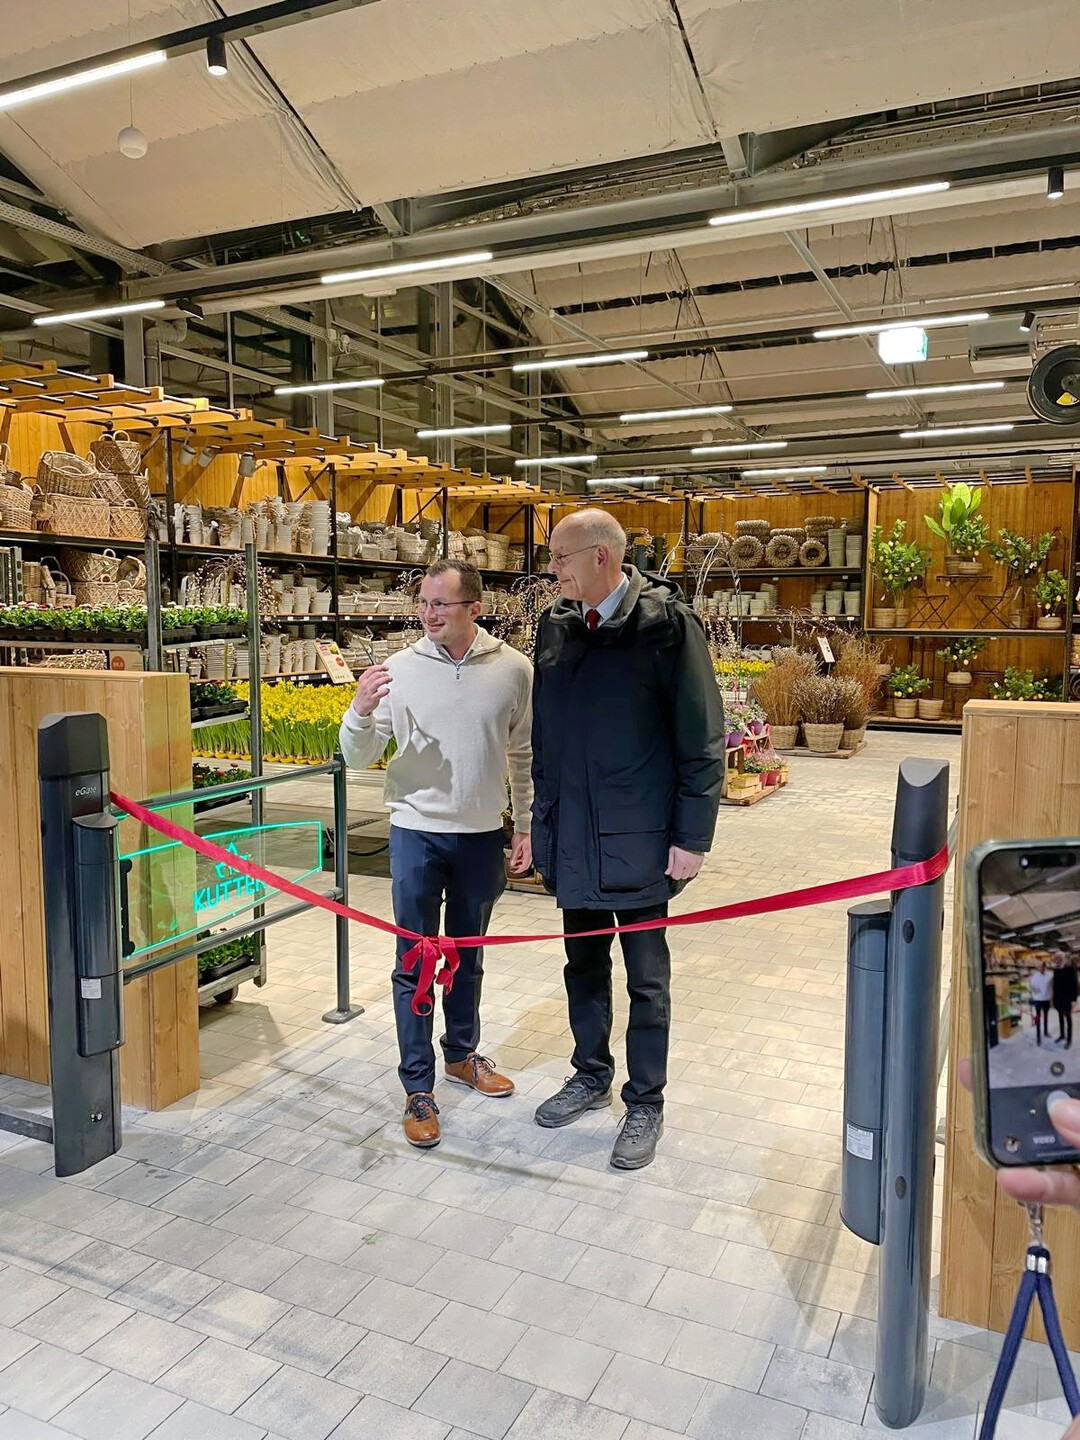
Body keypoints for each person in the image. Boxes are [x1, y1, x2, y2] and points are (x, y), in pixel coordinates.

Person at [530, 509, 725, 1170]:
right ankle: (590, 1074)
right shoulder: (555, 628)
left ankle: (646, 1100)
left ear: (602, 558)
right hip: (574, 836)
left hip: (640, 838)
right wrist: (540, 825)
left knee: (647, 978)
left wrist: (691, 836)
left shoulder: (667, 627)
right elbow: (545, 743)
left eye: (561, 558)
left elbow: (701, 740)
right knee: (582, 967)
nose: (552, 569)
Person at [338, 558, 533, 1149]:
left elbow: (524, 756)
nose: (428, 614)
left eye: (441, 604)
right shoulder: (398, 669)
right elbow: (357, 754)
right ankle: (417, 1085)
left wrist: (524, 826)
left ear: (474, 608)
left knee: (468, 955)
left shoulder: (514, 670)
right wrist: (360, 709)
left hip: (480, 836)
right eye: (423, 603)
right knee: (415, 960)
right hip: (415, 833)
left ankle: (461, 1055)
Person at [1052, 956, 1077, 1048]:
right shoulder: (1056, 970)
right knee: (1060, 1018)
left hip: (1067, 998)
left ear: (1062, 959)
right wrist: (1053, 999)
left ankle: (1069, 1039)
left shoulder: (1070, 969)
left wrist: (1074, 1000)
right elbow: (1055, 986)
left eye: (1058, 959)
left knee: (1068, 1018)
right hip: (1058, 998)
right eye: (1056, 960)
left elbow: (1074, 985)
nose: (1057, 961)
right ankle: (1062, 1035)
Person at [1029, 960, 1053, 1045]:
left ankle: (1046, 1032)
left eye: (1043, 966)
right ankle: (1038, 1037)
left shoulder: (1050, 975)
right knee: (1038, 1019)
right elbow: (1031, 987)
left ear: (1045, 966)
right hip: (1038, 1000)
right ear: (1037, 967)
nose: (1041, 968)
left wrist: (1050, 994)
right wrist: (1038, 993)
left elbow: (1053, 985)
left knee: (1046, 1017)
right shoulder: (1034, 976)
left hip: (1046, 999)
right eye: (1039, 966)